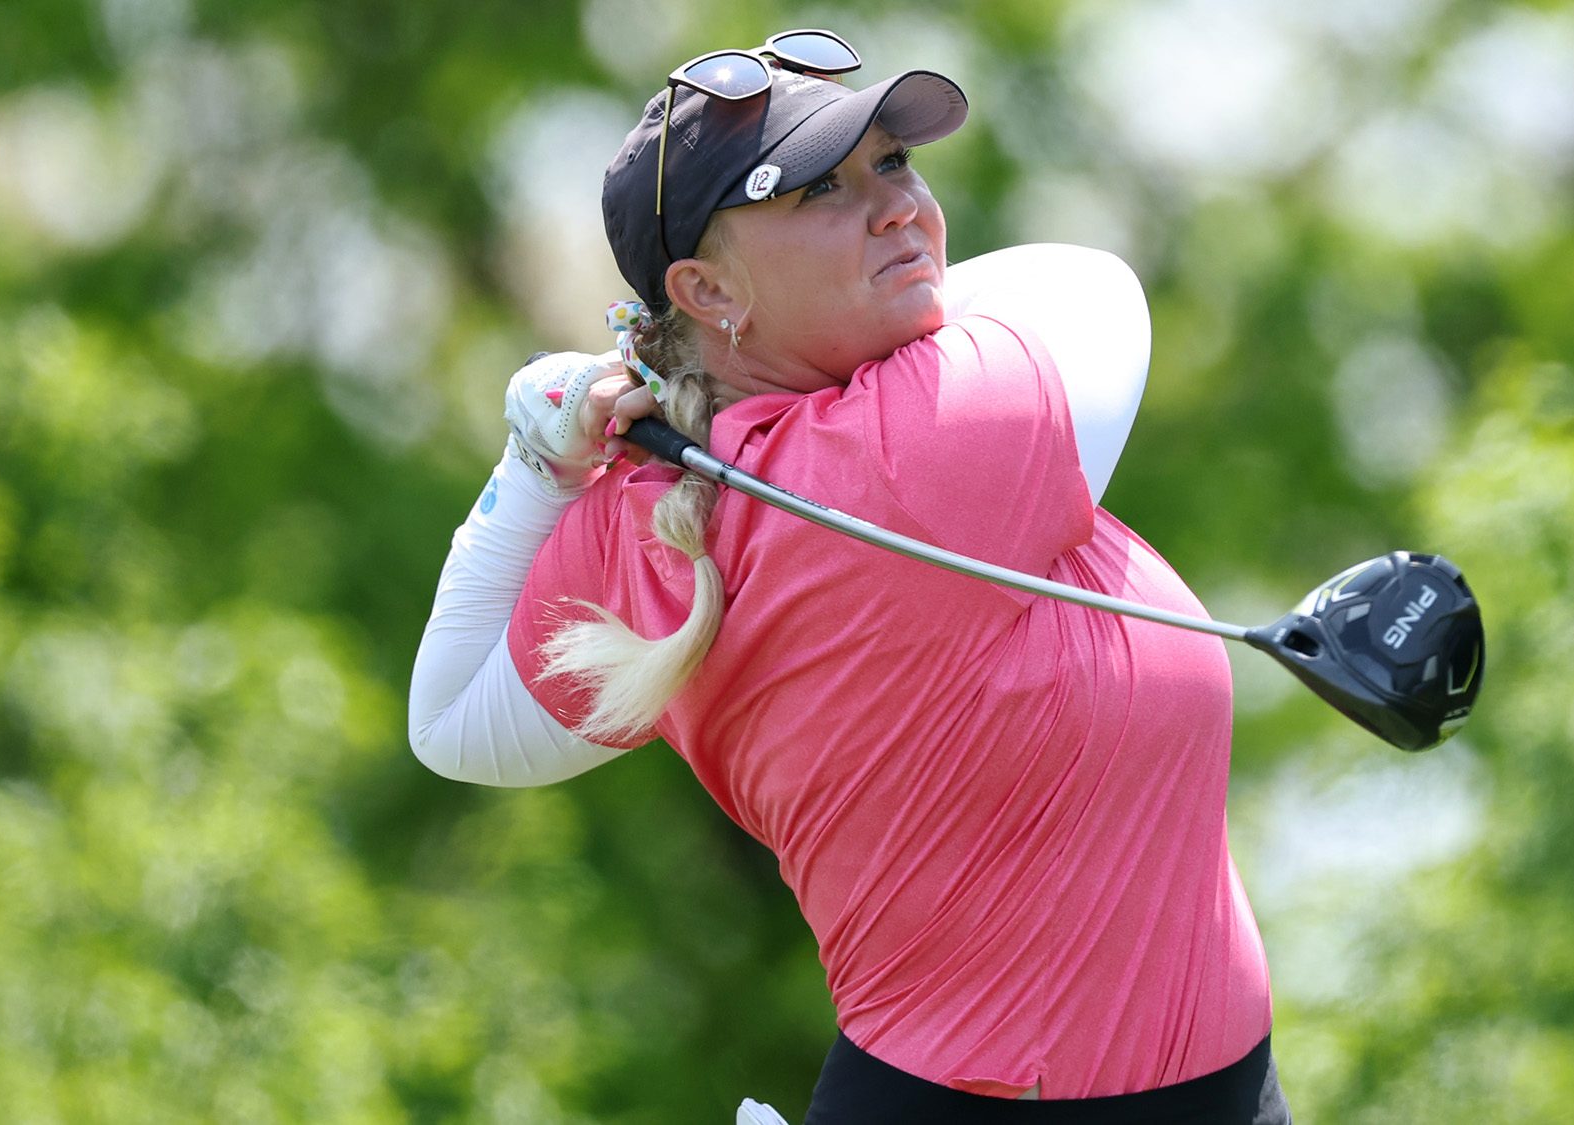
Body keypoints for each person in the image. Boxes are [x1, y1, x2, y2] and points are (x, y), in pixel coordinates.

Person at [409, 28, 1290, 1124]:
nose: (896, 208)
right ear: (705, 285)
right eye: (818, 189)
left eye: (892, 164)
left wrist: (538, 466)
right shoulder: (932, 434)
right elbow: (1087, 285)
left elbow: (448, 720)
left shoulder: (644, 521)